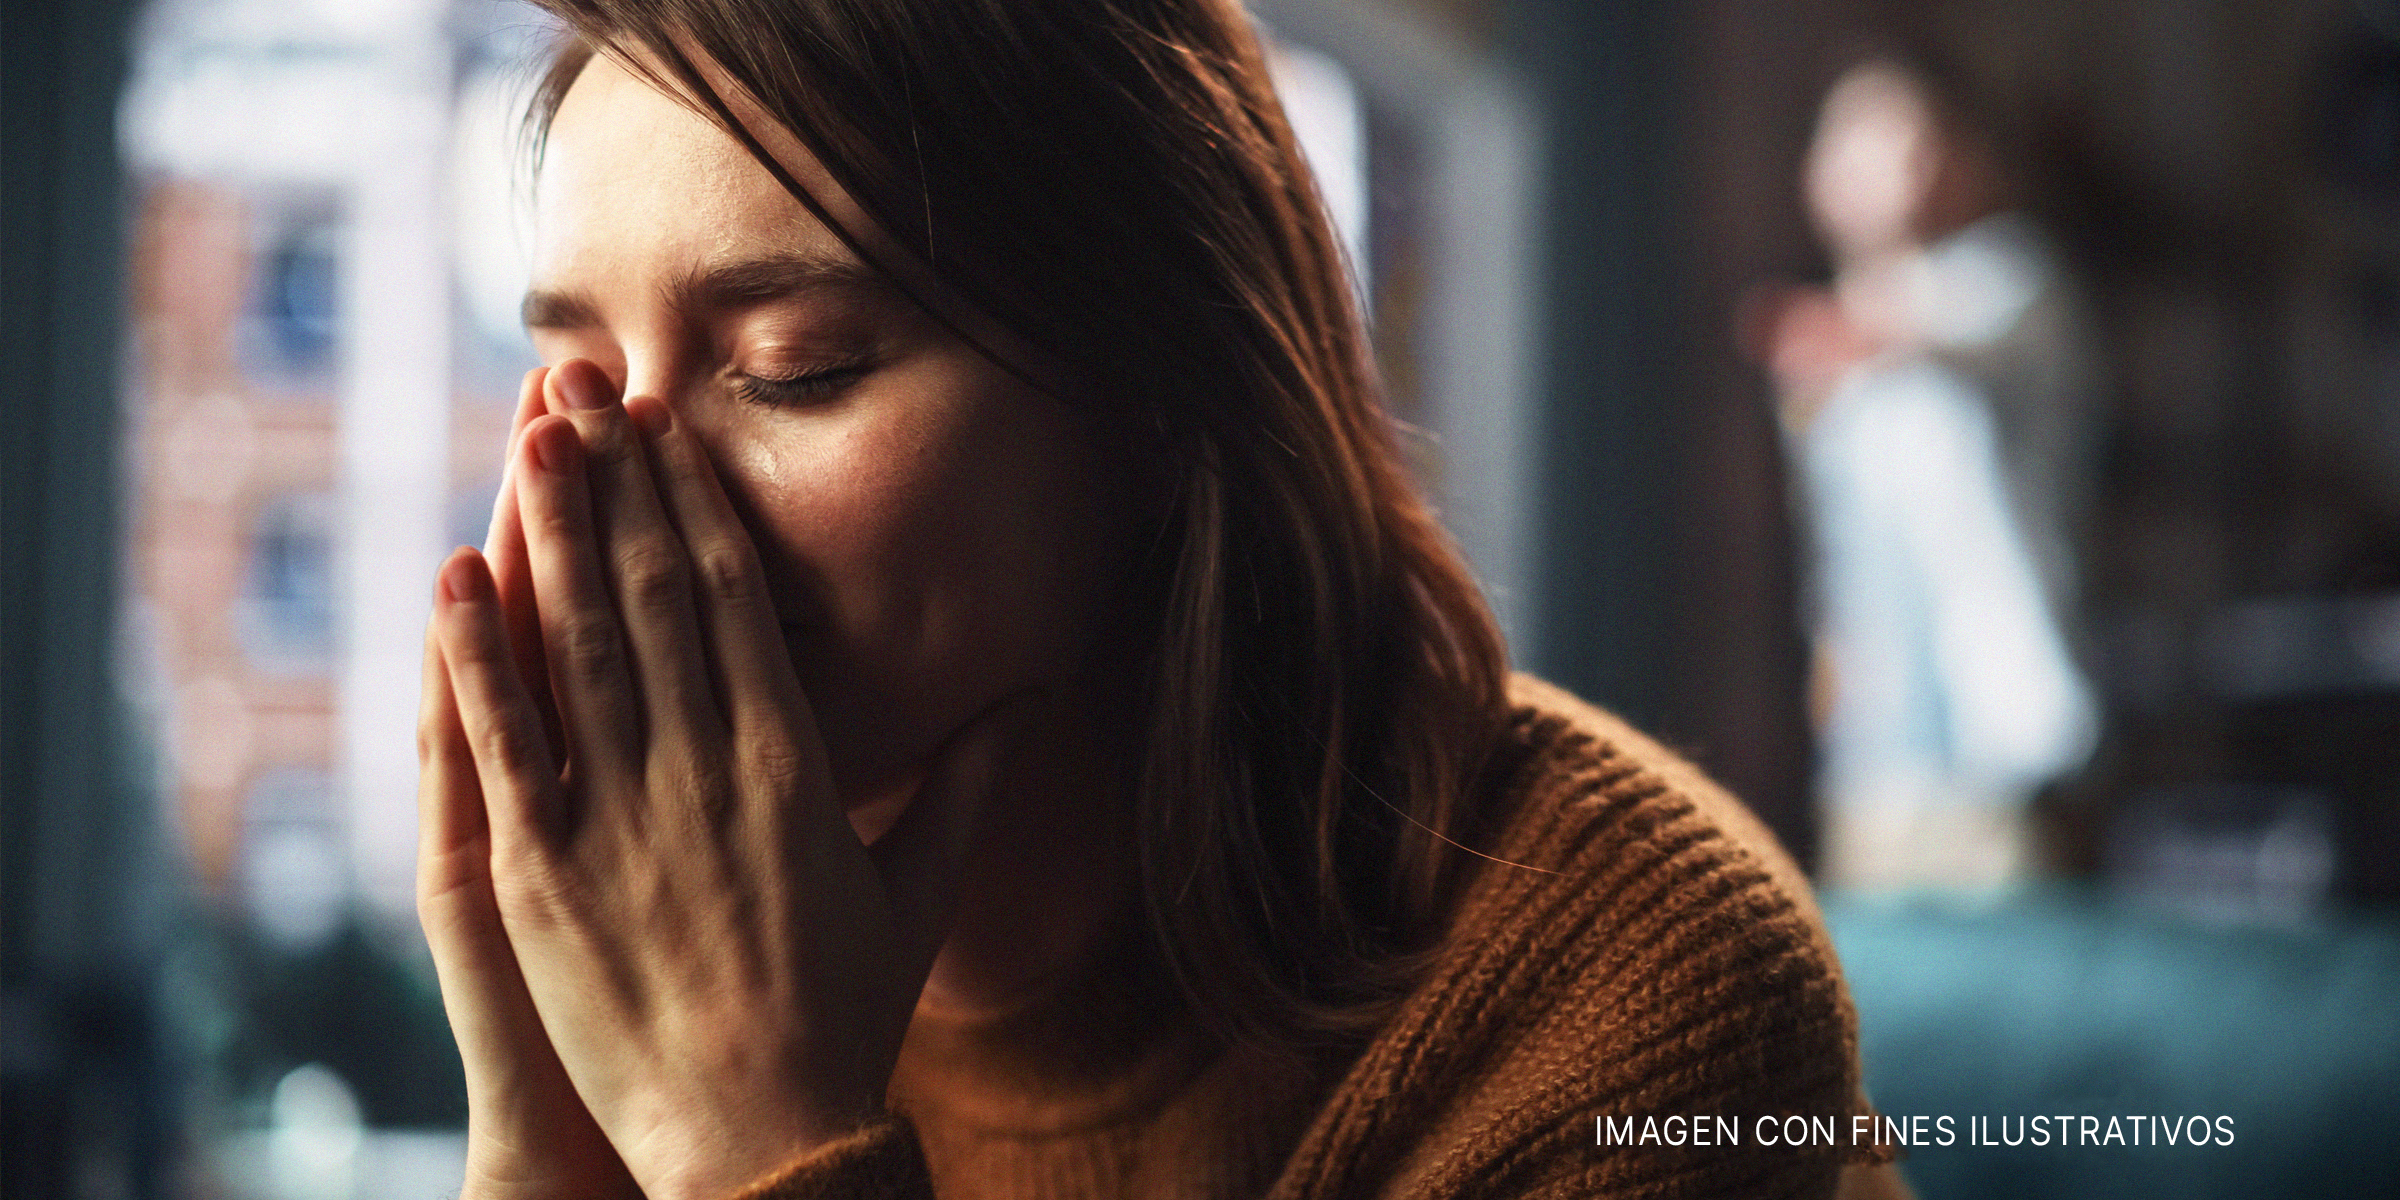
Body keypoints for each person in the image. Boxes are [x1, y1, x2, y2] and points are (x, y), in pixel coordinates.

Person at [414, 2, 1896, 1197]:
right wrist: (548, 1159)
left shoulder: (1625, 1007)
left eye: (797, 364)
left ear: (1161, 397)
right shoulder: (634, 953)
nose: (628, 510)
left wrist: (760, 1143)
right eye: (581, 392)